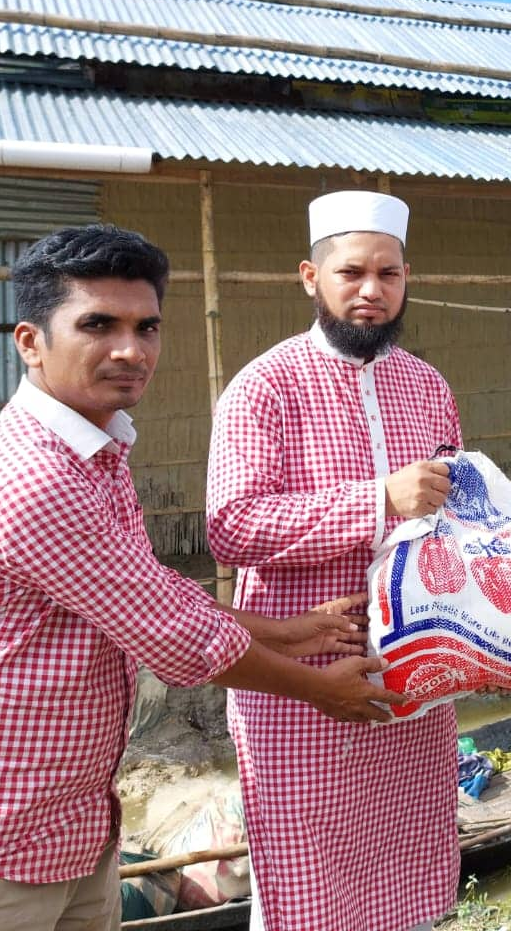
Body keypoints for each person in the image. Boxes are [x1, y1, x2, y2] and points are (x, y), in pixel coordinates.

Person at [0, 224, 400, 931]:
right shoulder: (35, 477)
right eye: (98, 325)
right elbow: (177, 638)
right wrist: (319, 687)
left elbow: (148, 595)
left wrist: (291, 629)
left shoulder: (97, 448)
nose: (130, 349)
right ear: (29, 341)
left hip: (73, 835)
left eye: (146, 327)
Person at [206, 191, 462, 931]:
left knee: (412, 873)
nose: (371, 291)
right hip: (302, 681)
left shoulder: (429, 386)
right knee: (310, 888)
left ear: (407, 277)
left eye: (388, 273)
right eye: (351, 272)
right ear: (310, 277)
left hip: (413, 673)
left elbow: (450, 519)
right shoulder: (264, 387)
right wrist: (377, 500)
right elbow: (231, 526)